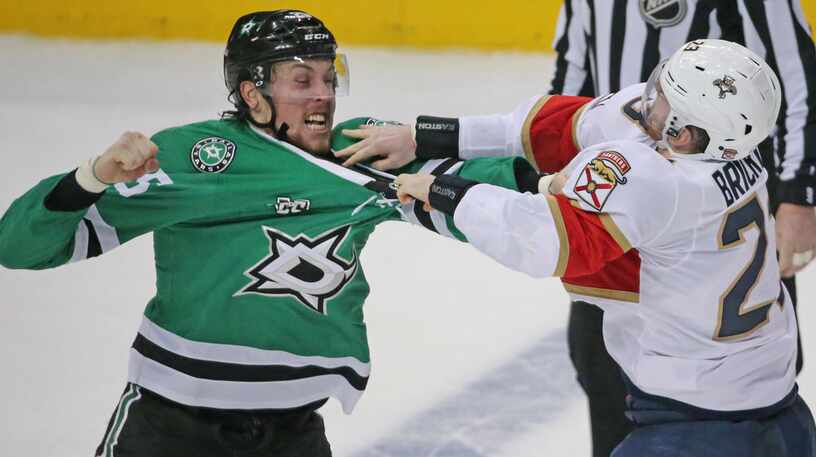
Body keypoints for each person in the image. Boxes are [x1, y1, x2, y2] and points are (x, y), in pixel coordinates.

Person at [0, 10, 539, 457]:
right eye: (302, 81)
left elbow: (485, 189)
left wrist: (564, 181)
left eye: (329, 78)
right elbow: (19, 246)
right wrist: (90, 178)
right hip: (171, 431)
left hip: (293, 433)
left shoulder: (361, 150)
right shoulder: (197, 157)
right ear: (253, 95)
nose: (323, 95)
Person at [393, 39, 816, 457]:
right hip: (783, 414)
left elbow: (546, 240)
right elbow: (559, 126)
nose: (646, 103)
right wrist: (426, 135)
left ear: (687, 134)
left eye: (663, 102)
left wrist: (447, 191)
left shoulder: (661, 182)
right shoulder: (732, 149)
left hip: (695, 425)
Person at [548, 2, 816, 453]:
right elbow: (572, 74)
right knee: (601, 370)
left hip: (715, 216)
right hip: (615, 208)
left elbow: (800, 73)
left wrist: (797, 194)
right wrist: (563, 170)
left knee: (744, 396)